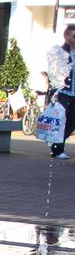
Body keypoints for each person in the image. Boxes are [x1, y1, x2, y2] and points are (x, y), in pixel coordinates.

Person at [46, 24, 75, 159]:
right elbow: (54, 72)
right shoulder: (60, 52)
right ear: (67, 36)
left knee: (72, 121)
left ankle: (58, 141)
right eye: (74, 36)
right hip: (64, 93)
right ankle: (57, 150)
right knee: (60, 120)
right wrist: (54, 92)